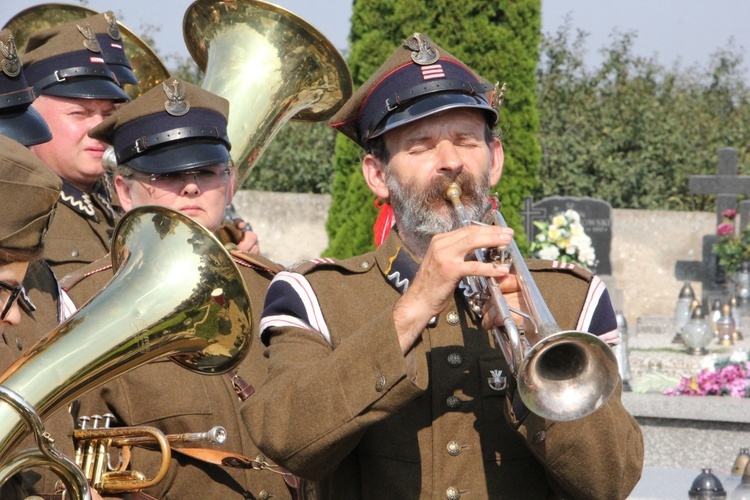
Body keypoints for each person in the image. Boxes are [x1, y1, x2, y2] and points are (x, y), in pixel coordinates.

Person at [242, 33, 644, 498]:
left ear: (493, 161)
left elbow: (611, 483)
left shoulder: (574, 298)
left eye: (465, 140)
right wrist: (409, 311)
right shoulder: (314, 295)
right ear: (378, 175)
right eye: (421, 145)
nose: (450, 161)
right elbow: (286, 441)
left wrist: (533, 343)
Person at [62, 77, 296, 499]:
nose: (190, 187)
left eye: (206, 172)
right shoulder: (81, 303)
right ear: (123, 191)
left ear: (229, 182)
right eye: (166, 174)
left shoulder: (278, 286)